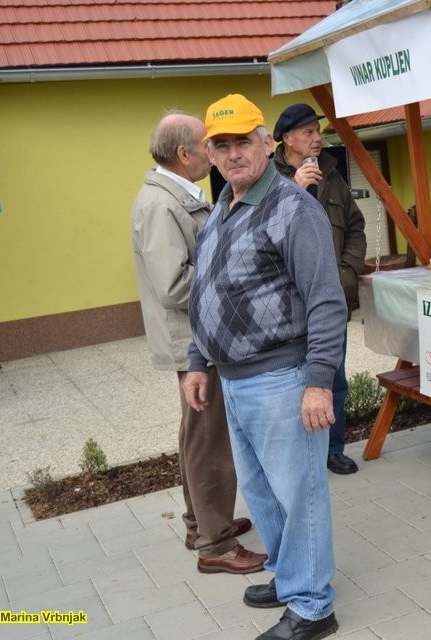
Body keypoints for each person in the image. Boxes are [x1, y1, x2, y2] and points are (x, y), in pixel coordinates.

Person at [183, 94, 346, 640]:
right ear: (210, 153)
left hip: (283, 379)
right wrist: (198, 362)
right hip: (233, 379)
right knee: (262, 492)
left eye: (243, 142)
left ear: (266, 145)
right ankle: (288, 576)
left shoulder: (293, 208)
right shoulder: (224, 206)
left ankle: (313, 607)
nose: (233, 154)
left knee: (299, 495)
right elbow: (205, 291)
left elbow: (326, 300)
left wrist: (318, 383)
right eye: (222, 145)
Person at [131, 111, 266, 575]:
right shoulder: (160, 204)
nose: (216, 153)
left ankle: (200, 523)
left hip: (201, 335)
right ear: (184, 153)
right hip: (197, 340)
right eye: (209, 144)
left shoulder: (177, 195)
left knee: (198, 434)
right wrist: (238, 278)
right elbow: (173, 286)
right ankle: (216, 543)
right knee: (209, 440)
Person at [272, 103, 366, 476]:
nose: (317, 138)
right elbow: (263, 230)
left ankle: (333, 449)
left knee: (333, 378)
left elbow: (355, 227)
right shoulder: (270, 178)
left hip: (330, 299)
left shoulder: (332, 172)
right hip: (288, 303)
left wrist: (346, 273)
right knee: (290, 383)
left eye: (317, 131)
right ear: (288, 138)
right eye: (309, 132)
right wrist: (295, 190)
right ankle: (296, 456)